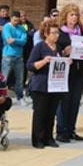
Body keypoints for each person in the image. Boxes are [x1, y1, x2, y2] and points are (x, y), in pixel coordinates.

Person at [26, 21, 63, 149]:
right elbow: (30, 65)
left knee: (51, 113)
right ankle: (38, 139)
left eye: (57, 33)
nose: (56, 35)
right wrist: (44, 61)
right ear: (46, 34)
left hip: (55, 85)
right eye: (53, 33)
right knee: (40, 113)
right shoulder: (40, 47)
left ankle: (49, 137)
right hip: (41, 85)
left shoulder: (58, 48)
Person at [55, 4, 83, 143]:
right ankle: (61, 131)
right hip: (65, 73)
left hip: (78, 71)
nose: (74, 18)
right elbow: (55, 52)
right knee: (64, 102)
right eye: (71, 15)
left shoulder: (81, 32)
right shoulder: (60, 33)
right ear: (65, 16)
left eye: (76, 15)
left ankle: (71, 129)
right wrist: (63, 53)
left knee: (75, 102)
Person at [1, 11, 28, 106]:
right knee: (4, 78)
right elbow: (9, 41)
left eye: (18, 20)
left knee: (20, 79)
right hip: (7, 56)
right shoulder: (6, 27)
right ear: (11, 18)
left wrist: (15, 40)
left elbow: (24, 41)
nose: (16, 22)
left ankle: (20, 97)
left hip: (19, 56)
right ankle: (1, 97)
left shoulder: (21, 28)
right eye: (14, 20)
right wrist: (18, 41)